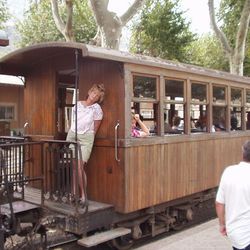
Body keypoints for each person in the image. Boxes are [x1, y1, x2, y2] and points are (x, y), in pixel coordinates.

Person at [66, 83, 105, 205]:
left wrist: (87, 138)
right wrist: (73, 134)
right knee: (73, 167)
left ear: (99, 98)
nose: (94, 96)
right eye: (93, 93)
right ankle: (73, 193)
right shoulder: (77, 104)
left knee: (79, 166)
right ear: (89, 92)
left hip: (86, 138)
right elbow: (74, 121)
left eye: (97, 96)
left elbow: (95, 128)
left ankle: (83, 195)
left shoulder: (97, 109)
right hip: (73, 135)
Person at [216, 140, 250, 250]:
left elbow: (219, 203)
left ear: (242, 153)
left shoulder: (229, 171)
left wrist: (222, 224)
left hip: (235, 234)